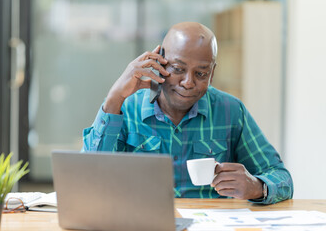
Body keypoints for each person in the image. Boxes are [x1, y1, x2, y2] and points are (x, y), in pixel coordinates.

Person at [82, 22, 293, 204]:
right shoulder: (126, 107)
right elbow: (86, 177)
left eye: (201, 73)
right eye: (178, 69)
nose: (188, 82)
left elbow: (282, 179)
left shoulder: (231, 111)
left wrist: (257, 187)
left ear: (212, 74)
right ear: (157, 62)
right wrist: (114, 97)